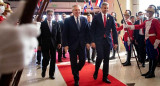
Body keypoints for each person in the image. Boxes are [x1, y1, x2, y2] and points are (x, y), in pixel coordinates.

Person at [126, 5, 160, 78]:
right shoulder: (146, 21)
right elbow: (139, 26)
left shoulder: (155, 21)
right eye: (147, 12)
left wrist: (157, 42)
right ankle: (149, 71)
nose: (147, 13)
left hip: (153, 40)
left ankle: (152, 72)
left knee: (154, 56)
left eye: (148, 12)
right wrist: (129, 26)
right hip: (147, 40)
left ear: (151, 13)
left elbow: (159, 32)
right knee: (150, 56)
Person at [90, 2, 118, 83]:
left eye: (107, 8)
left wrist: (115, 42)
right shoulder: (96, 17)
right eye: (104, 8)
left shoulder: (111, 17)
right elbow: (92, 30)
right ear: (101, 8)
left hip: (108, 41)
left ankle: (105, 77)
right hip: (98, 41)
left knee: (106, 59)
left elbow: (114, 31)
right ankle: (96, 71)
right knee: (100, 57)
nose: (106, 9)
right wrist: (92, 41)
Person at [63, 5, 90, 86]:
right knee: (73, 62)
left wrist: (88, 42)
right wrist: (65, 45)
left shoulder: (84, 19)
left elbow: (87, 31)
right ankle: (76, 79)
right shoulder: (68, 20)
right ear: (72, 11)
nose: (77, 11)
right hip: (72, 45)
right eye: (75, 10)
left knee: (83, 60)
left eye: (79, 10)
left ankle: (75, 70)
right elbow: (64, 33)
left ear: (81, 10)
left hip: (82, 44)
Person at [38, 9, 61, 79]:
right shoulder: (42, 24)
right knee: (46, 58)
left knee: (53, 59)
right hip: (44, 44)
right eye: (49, 15)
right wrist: (39, 44)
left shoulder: (56, 23)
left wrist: (59, 42)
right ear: (46, 15)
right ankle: (44, 69)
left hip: (54, 44)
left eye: (51, 15)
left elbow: (59, 34)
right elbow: (39, 35)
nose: (50, 16)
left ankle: (51, 74)